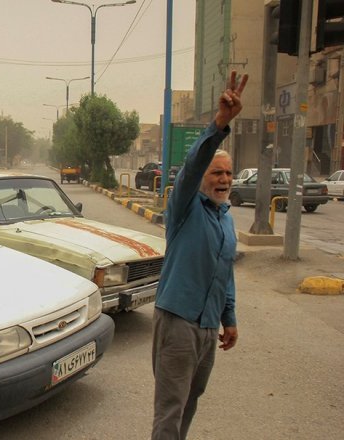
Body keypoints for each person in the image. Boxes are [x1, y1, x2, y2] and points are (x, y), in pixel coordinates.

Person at [151, 70, 248, 440]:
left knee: (191, 400)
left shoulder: (224, 218)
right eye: (216, 172)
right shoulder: (185, 208)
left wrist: (230, 317)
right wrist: (220, 124)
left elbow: (226, 270)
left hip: (207, 326)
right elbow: (192, 165)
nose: (223, 179)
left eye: (228, 173)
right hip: (177, 323)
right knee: (170, 408)